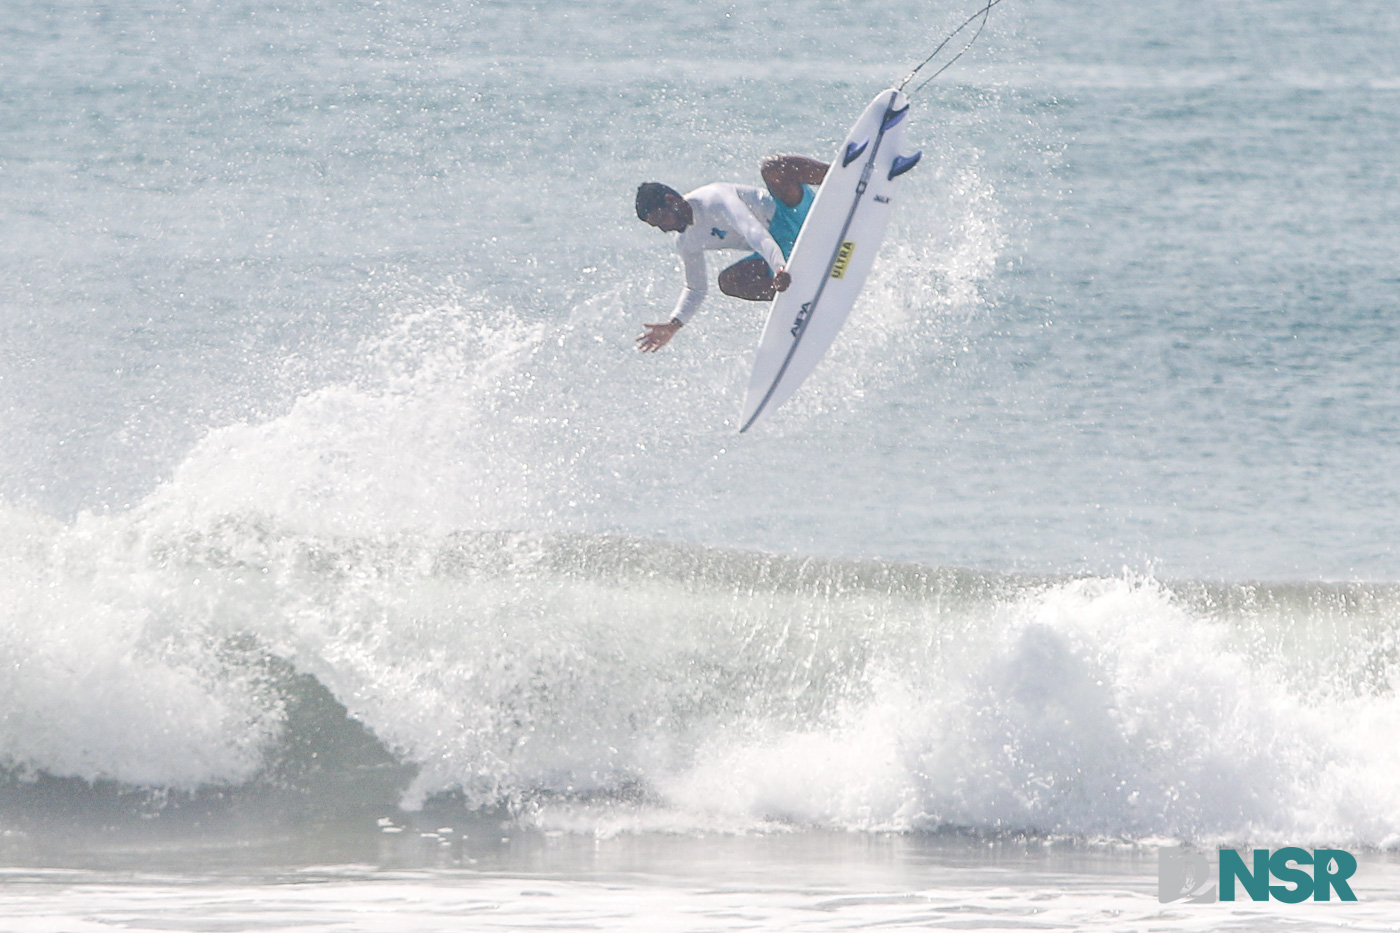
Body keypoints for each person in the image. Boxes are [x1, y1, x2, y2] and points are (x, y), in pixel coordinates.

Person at [635, 155, 829, 352]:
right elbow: (695, 289)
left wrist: (778, 267)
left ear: (671, 200)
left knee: (772, 168)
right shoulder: (686, 242)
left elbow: (754, 233)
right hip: (784, 251)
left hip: (797, 215)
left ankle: (843, 176)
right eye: (656, 226)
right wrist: (673, 325)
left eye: (661, 219)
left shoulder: (713, 198)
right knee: (730, 281)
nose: (664, 229)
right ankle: (801, 296)